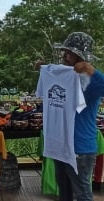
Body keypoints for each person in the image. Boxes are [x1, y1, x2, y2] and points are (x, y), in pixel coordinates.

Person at [36, 32, 104, 201]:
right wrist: (45, 70)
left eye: (69, 52)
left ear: (80, 56)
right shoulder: (62, 74)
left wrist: (90, 70)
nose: (64, 55)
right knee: (64, 192)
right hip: (60, 143)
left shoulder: (92, 79)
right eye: (64, 51)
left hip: (80, 147)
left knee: (82, 194)